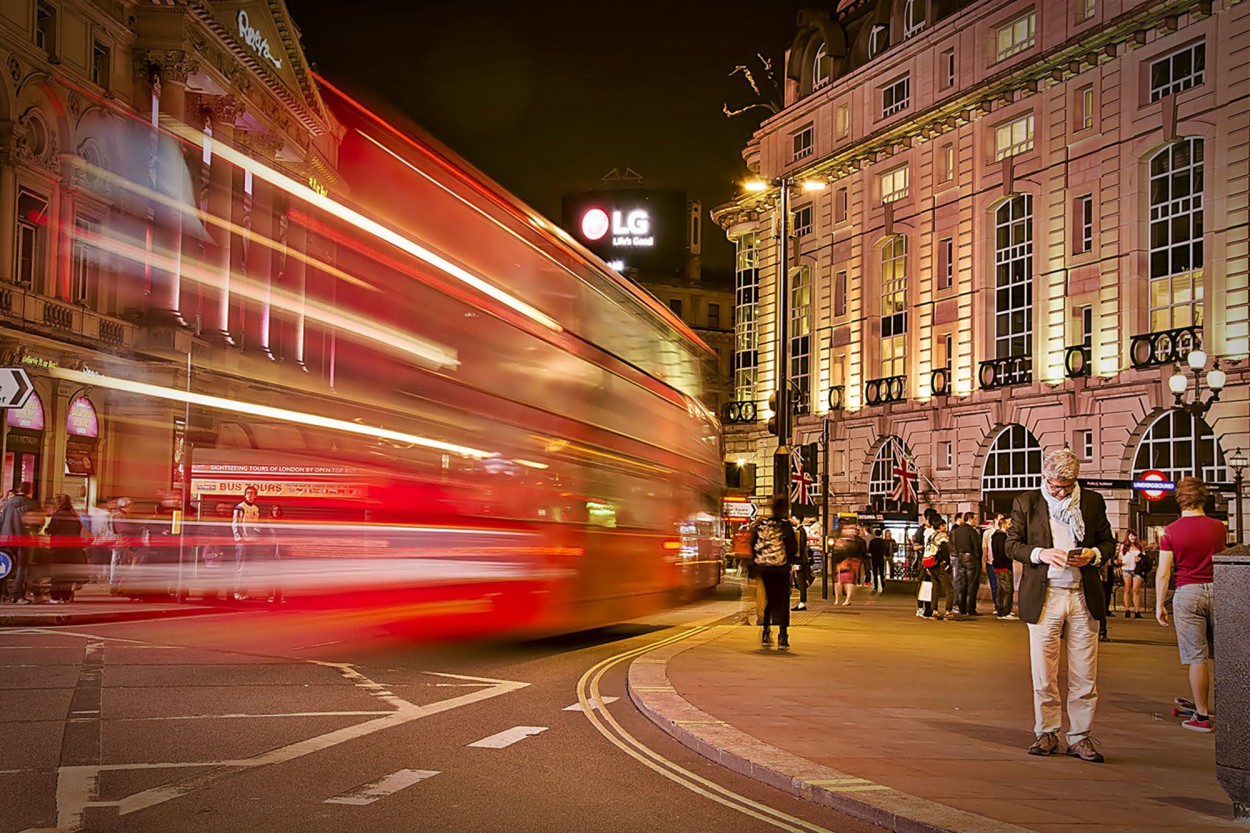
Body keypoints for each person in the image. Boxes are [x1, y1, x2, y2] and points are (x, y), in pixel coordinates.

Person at [1006, 447, 1115, 763]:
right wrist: (1041, 553)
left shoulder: (1092, 502)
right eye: (1055, 485)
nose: (1060, 492)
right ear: (1044, 477)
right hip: (1045, 594)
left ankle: (1080, 737)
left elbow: (1107, 542)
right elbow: (1012, 545)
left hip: (1083, 593)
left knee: (1085, 673)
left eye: (1067, 486)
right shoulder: (1027, 502)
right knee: (1044, 671)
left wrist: (1093, 555)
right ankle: (1047, 731)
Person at [1155, 477, 1225, 733]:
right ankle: (1231, 706)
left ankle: (1202, 715)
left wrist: (1160, 604)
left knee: (1197, 658)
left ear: (1180, 500)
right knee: (1224, 656)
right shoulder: (1218, 527)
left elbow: (1163, 572)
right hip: (1219, 591)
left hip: (1187, 592)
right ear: (1203, 498)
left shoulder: (1171, 530)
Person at [750, 495, 798, 649]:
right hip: (781, 568)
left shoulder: (762, 524)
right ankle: (783, 636)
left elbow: (753, 545)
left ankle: (765, 633)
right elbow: (793, 547)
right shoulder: (785, 526)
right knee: (783, 601)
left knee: (769, 600)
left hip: (765, 568)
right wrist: (790, 562)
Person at [1, 482, 40, 604]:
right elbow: (38, 522)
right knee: (21, 567)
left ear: (18, 490)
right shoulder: (32, 504)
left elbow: (2, 519)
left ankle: (2, 593)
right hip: (22, 538)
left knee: (5, 566)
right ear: (30, 490)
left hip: (6, 537)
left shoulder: (8, 502)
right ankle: (17, 595)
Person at [45, 494, 88, 603]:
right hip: (72, 549)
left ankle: (55, 597)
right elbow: (79, 530)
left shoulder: (57, 515)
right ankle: (66, 596)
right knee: (67, 574)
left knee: (57, 574)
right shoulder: (74, 516)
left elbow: (49, 530)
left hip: (58, 549)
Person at [231, 485, 262, 601]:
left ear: (255, 495)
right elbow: (235, 524)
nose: (249, 495)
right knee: (241, 567)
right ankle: (238, 592)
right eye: (248, 493)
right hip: (242, 542)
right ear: (244, 494)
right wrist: (239, 539)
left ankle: (244, 591)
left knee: (248, 568)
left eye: (252, 493)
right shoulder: (240, 508)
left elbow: (256, 526)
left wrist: (255, 538)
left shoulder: (256, 509)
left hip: (251, 542)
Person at [952, 511, 983, 615]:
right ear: (970, 519)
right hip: (970, 558)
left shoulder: (958, 530)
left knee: (962, 584)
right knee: (972, 584)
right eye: (974, 519)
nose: (975, 521)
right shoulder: (972, 531)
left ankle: (962, 608)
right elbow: (977, 547)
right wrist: (978, 559)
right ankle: (971, 608)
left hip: (960, 557)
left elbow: (954, 545)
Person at [927, 518, 955, 619]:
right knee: (949, 589)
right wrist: (947, 561)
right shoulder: (942, 536)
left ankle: (934, 610)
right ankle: (948, 611)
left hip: (932, 565)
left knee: (935, 588)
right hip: (940, 565)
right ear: (941, 526)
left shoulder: (931, 536)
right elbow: (944, 548)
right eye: (944, 525)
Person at [108, 497, 136, 594]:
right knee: (118, 564)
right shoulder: (119, 516)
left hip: (121, 543)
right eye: (130, 506)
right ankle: (115, 585)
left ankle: (117, 585)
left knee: (120, 563)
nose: (131, 508)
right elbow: (124, 529)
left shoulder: (120, 515)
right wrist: (137, 529)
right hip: (120, 543)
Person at [991, 516, 1016, 619]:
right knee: (1007, 589)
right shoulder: (1003, 538)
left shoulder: (995, 537)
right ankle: (1005, 611)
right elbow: (1003, 553)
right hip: (1004, 566)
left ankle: (1000, 609)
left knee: (1000, 589)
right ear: (1003, 525)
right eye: (1009, 524)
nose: (1010, 526)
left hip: (997, 565)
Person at [1118, 531, 1145, 619]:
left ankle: (1137, 611)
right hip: (1126, 569)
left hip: (1137, 570)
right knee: (1127, 589)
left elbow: (1144, 558)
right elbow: (1119, 558)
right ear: (1128, 537)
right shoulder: (1123, 547)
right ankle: (1127, 610)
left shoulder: (1139, 547)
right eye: (1131, 536)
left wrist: (1140, 560)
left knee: (1136, 590)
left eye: (1134, 536)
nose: (1133, 538)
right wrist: (1119, 564)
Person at [791, 516, 812, 611]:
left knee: (801, 581)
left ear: (798, 520)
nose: (792, 520)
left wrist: (795, 560)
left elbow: (800, 546)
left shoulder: (800, 531)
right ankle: (802, 602)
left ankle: (802, 602)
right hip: (801, 560)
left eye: (794, 518)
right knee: (800, 581)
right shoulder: (800, 530)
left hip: (800, 560)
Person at [983, 513, 1004, 609]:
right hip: (991, 562)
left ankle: (1006, 605)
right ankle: (997, 605)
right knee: (994, 585)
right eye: (1000, 519)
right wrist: (984, 561)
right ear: (995, 520)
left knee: (1004, 585)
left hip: (1002, 563)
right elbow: (985, 548)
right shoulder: (988, 533)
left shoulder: (1006, 532)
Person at [868, 528, 889, 594]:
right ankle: (883, 586)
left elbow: (870, 550)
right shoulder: (883, 542)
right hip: (881, 558)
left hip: (874, 558)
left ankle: (875, 587)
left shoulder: (872, 541)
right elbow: (885, 550)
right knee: (882, 573)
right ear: (881, 534)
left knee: (875, 573)